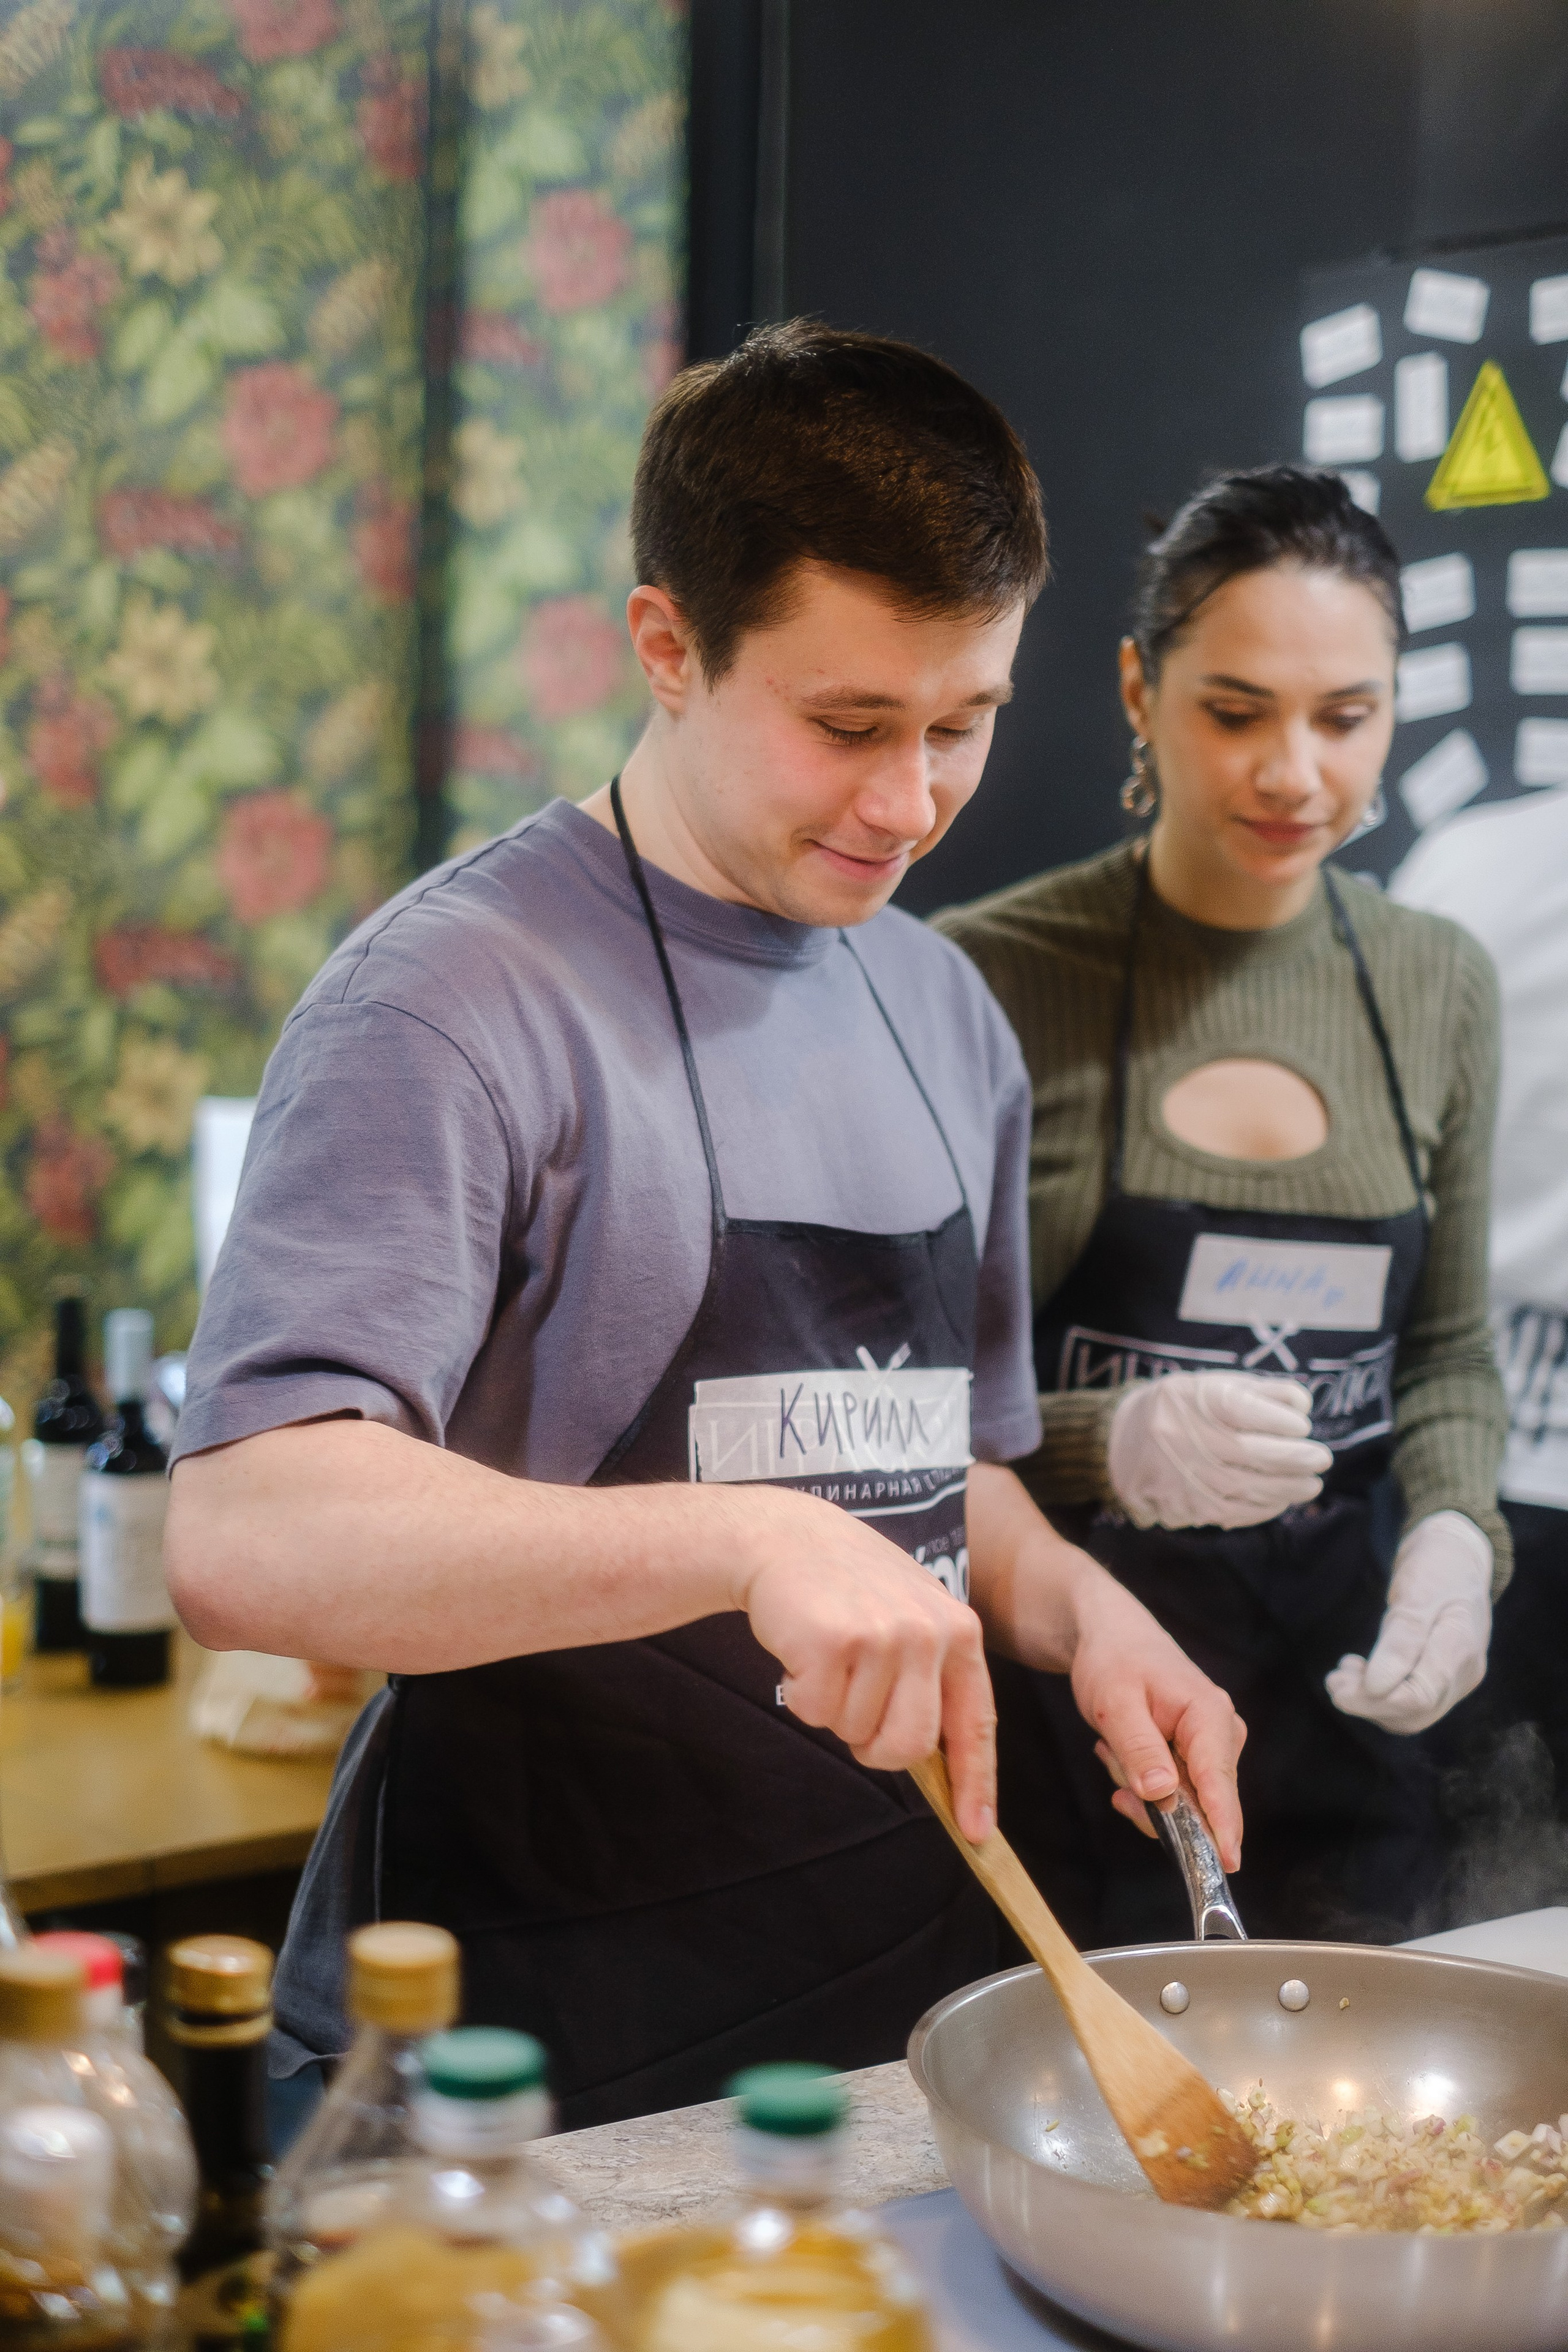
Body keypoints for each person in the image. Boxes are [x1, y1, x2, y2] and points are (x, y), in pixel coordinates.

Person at [164, 323, 1245, 2130]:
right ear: (667, 647)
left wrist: (1079, 1609)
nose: (909, 803)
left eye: (962, 725)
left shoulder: (939, 1004)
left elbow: (941, 1468)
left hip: (890, 2010)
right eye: (848, 728)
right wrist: (745, 1536)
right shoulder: (449, 1003)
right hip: (526, 2042)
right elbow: (245, 1532)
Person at [939, 466, 1508, 1948]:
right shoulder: (989, 975)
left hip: (1349, 1721)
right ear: (1140, 691)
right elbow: (907, 1410)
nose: (1292, 775)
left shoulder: (1437, 984)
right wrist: (1108, 1443)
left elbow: (1446, 1357)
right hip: (1069, 1723)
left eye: (1344, 717)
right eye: (1235, 711)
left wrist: (1454, 1539)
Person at [1392, 788, 1568, 1862]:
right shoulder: (1481, 864)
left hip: (1494, 1458)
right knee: (1484, 1862)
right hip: (1491, 1460)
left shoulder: (1477, 858)